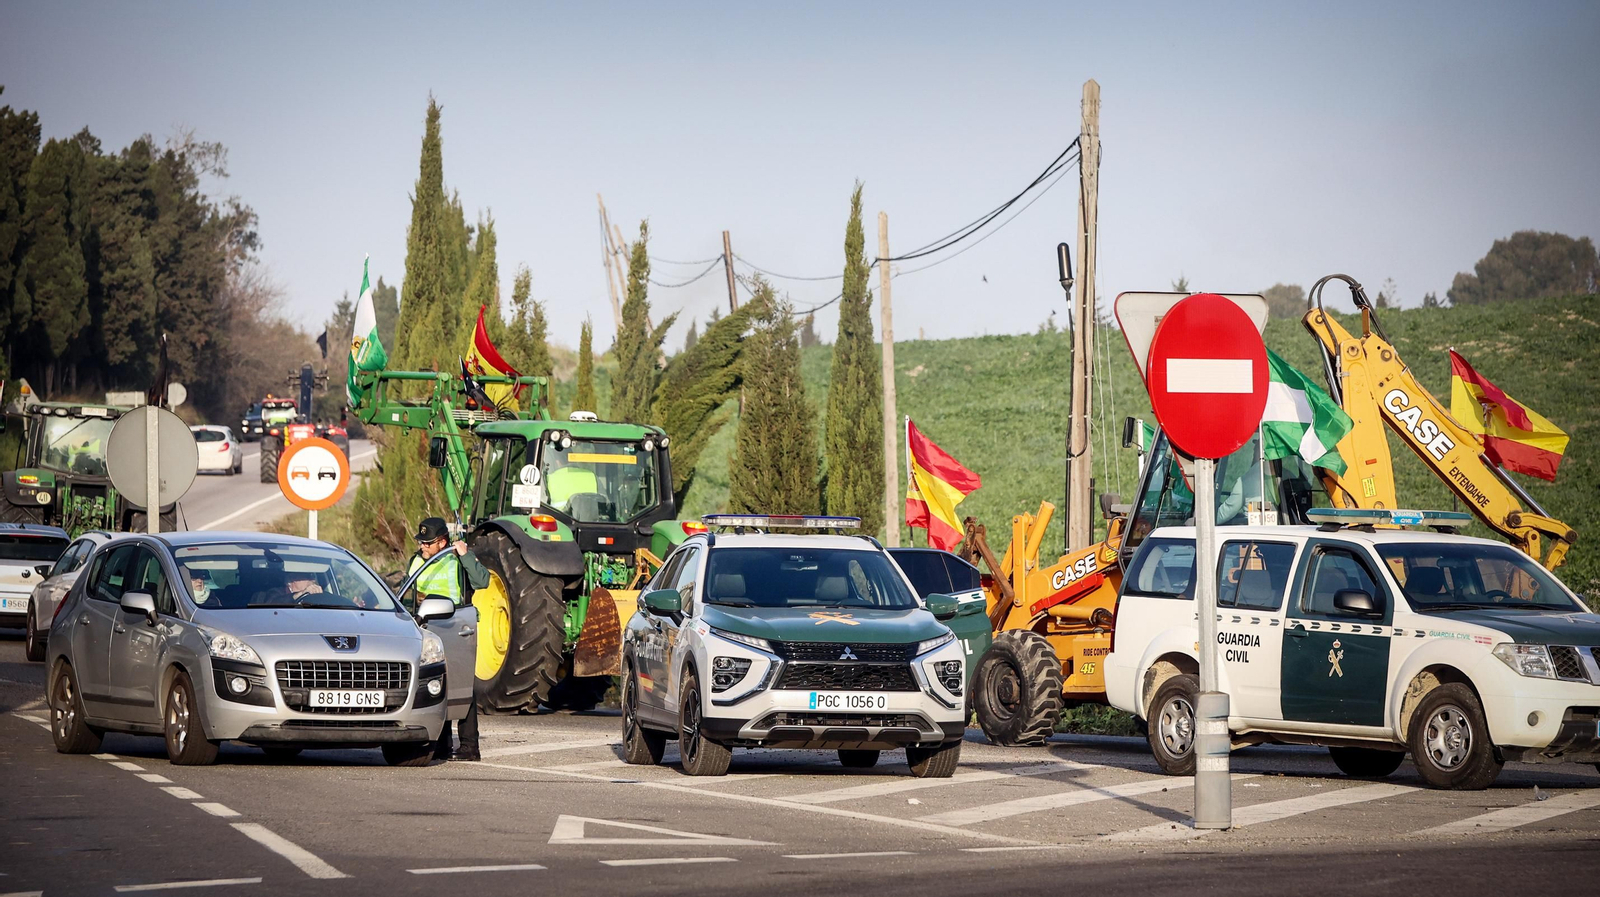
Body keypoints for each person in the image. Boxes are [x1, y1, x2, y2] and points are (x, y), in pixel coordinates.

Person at [406, 516, 489, 762]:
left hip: (454, 626)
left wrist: (466, 556)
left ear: (442, 542)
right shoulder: (415, 562)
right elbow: (405, 593)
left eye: (428, 543)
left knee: (462, 686)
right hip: (424, 627)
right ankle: (441, 746)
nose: (423, 547)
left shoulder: (456, 560)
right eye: (421, 542)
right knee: (434, 684)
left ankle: (469, 746)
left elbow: (482, 581)